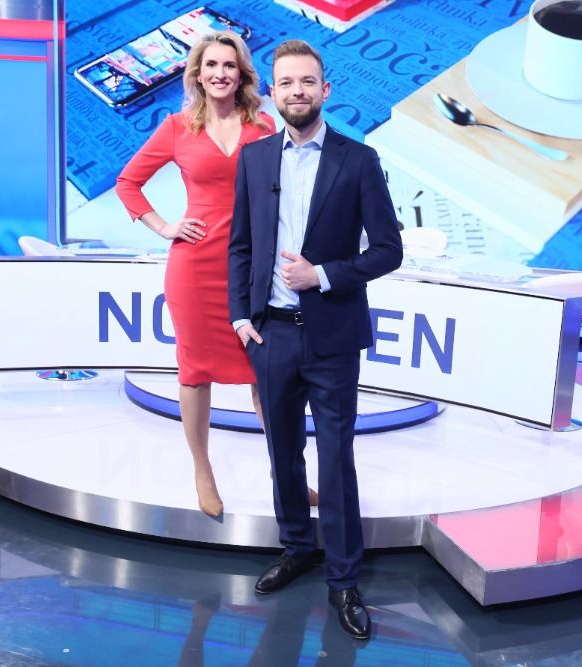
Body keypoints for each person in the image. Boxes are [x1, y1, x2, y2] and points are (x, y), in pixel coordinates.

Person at [227, 40, 403, 640]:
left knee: (335, 456)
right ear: (271, 93)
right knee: (282, 450)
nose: (297, 91)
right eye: (286, 82)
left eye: (307, 81)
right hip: (271, 333)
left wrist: (323, 275)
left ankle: (344, 578)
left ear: (325, 90)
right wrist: (240, 317)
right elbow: (241, 245)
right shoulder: (254, 159)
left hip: (332, 338)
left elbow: (388, 250)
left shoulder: (359, 160)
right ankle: (297, 546)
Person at [115, 32, 274, 518]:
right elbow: (128, 183)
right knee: (195, 371)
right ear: (198, 75)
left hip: (251, 267)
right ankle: (202, 472)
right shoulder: (176, 128)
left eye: (230, 65)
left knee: (266, 373)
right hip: (195, 266)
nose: (220, 73)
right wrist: (165, 227)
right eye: (212, 65)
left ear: (242, 75)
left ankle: (284, 471)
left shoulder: (263, 126)